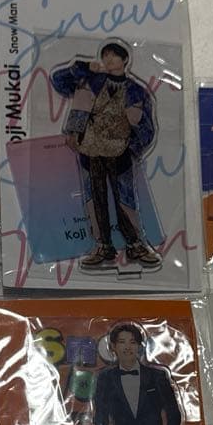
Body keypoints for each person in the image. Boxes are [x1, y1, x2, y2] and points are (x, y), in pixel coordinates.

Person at [51, 43, 162, 272]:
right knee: (95, 199)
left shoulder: (136, 91)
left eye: (114, 56)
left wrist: (133, 148)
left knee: (125, 200)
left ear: (125, 60)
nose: (109, 60)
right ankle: (103, 246)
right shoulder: (90, 80)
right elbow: (59, 81)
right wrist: (83, 67)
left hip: (120, 151)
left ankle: (135, 244)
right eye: (106, 56)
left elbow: (146, 126)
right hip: (89, 148)